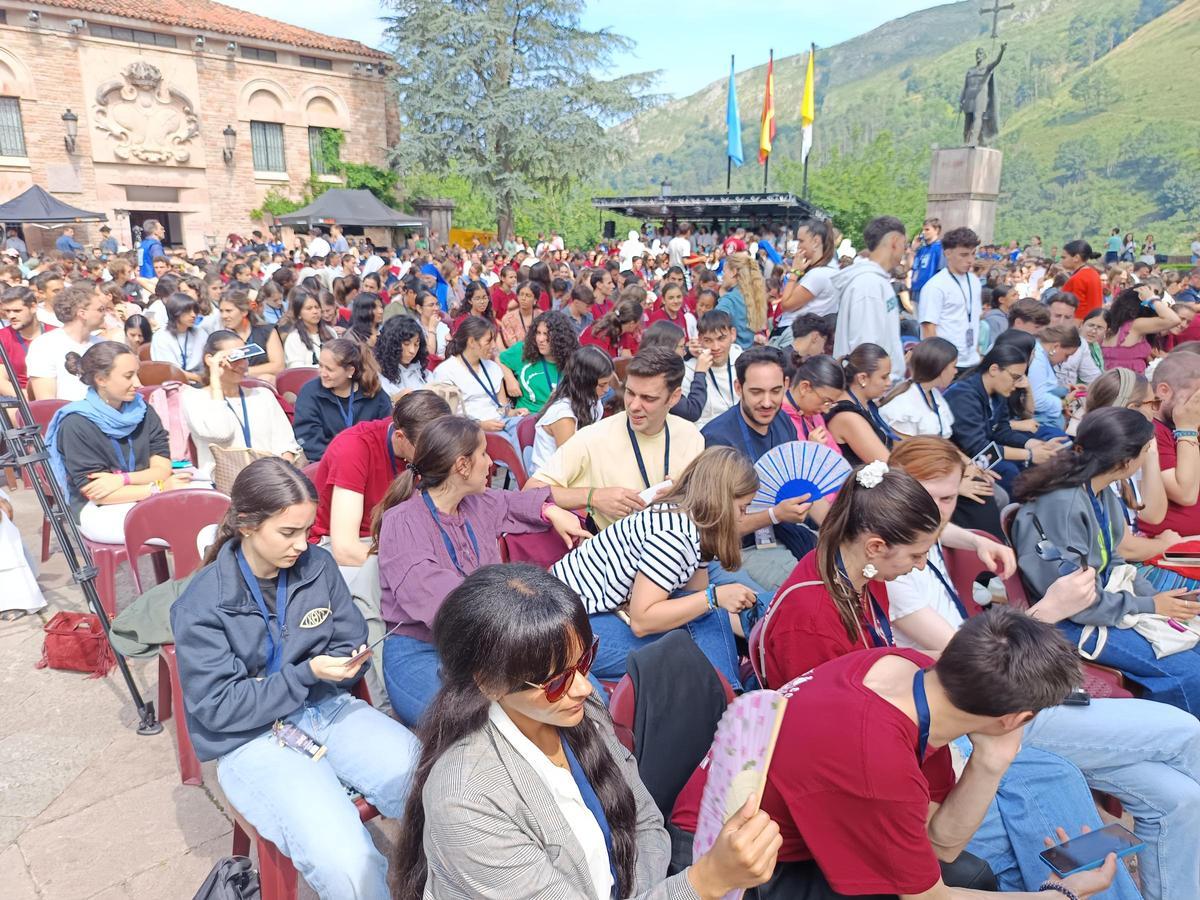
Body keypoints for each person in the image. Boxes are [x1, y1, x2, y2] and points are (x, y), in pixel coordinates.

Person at [890, 436, 1200, 900]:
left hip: (1006, 693)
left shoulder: (916, 536)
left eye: (950, 497)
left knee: (1180, 798)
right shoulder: (898, 565)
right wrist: (1050, 609)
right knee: (1183, 729)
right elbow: (967, 666)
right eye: (931, 498)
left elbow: (937, 532)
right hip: (985, 705)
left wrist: (972, 537)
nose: (937, 513)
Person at [677, 599, 1118, 900]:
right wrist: (1060, 894)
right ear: (1014, 719)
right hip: (729, 867)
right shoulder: (878, 761)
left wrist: (991, 759)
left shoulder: (905, 669)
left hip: (749, 824)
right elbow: (928, 896)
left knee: (971, 869)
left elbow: (939, 844)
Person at [389, 564, 779, 900]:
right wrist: (705, 881)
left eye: (585, 660)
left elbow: (644, 821)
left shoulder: (577, 713)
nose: (584, 687)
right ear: (489, 684)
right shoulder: (466, 799)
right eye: (555, 681)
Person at [170, 458, 418, 900]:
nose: (303, 545)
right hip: (250, 739)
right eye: (288, 533)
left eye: (308, 530)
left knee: (436, 785)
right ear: (245, 525)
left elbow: (349, 637)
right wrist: (307, 673)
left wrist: (349, 661)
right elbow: (218, 707)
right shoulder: (202, 603)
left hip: (326, 707)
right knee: (346, 862)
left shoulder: (317, 566)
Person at [375, 416, 589, 725]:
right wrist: (515, 627)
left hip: (488, 641)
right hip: (421, 652)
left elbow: (516, 503)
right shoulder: (402, 522)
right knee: (486, 723)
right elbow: (441, 602)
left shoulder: (477, 502)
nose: (490, 463)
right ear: (462, 466)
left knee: (560, 700)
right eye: (484, 454)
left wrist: (550, 510)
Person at [1014, 406, 1200, 713]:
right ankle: (1172, 748)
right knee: (1189, 673)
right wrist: (1151, 605)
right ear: (1127, 462)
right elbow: (1076, 601)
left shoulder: (1094, 488)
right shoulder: (1064, 504)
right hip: (1068, 621)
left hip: (1099, 601)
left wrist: (1154, 598)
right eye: (1147, 450)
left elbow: (1112, 560)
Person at [552, 447, 764, 690]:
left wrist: (725, 610)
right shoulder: (675, 537)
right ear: (722, 502)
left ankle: (728, 690)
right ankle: (729, 694)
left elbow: (695, 598)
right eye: (742, 508)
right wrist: (714, 598)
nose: (743, 517)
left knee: (708, 617)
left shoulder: (685, 517)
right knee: (683, 652)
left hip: (585, 611)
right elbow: (643, 621)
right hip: (564, 626)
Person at [526, 348, 706, 529]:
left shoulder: (691, 436)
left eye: (648, 398)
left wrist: (685, 496)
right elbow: (530, 490)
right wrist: (594, 497)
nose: (634, 406)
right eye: (630, 393)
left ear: (674, 397)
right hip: (617, 550)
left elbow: (711, 503)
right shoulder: (593, 437)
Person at [45, 342, 191, 543]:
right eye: (128, 376)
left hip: (145, 495)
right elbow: (98, 494)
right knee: (184, 530)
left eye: (136, 374)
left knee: (201, 518)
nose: (138, 383)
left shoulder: (143, 411)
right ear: (101, 379)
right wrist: (158, 488)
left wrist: (122, 480)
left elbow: (163, 469)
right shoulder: (76, 423)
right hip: (98, 510)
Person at [310, 391, 450, 569]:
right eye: (427, 451)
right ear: (400, 437)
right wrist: (412, 568)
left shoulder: (416, 438)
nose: (435, 459)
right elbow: (345, 549)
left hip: (396, 539)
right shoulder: (353, 447)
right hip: (348, 547)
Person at [944, 339, 1070, 495]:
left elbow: (1002, 431)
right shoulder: (963, 396)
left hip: (981, 450)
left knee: (1038, 461)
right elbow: (978, 448)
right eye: (1015, 377)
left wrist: (1036, 445)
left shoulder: (997, 392)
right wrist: (1029, 455)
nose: (1017, 384)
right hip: (960, 456)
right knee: (1011, 471)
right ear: (994, 369)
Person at [181, 331, 300, 482]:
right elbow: (221, 432)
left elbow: (286, 444)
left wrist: (283, 467)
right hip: (226, 485)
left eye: (245, 357)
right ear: (210, 360)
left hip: (271, 481)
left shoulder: (263, 395)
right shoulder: (193, 398)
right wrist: (215, 381)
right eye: (234, 358)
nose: (243, 364)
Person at [433, 315, 527, 452]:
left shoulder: (493, 368)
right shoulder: (446, 372)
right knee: (513, 445)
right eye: (489, 341)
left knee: (528, 430)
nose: (494, 346)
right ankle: (523, 473)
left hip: (500, 423)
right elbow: (447, 419)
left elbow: (502, 408)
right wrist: (480, 425)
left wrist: (514, 412)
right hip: (469, 432)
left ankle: (526, 472)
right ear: (471, 342)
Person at [293, 338, 392, 463]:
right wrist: (343, 461)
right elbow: (309, 439)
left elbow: (387, 435)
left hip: (369, 463)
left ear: (350, 371)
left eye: (329, 369)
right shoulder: (310, 392)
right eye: (320, 365)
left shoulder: (374, 394)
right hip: (327, 463)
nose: (322, 373)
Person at [832, 216, 906, 377]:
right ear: (894, 241)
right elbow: (866, 348)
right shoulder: (868, 285)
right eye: (903, 245)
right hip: (873, 390)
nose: (904, 251)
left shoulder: (877, 281)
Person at [528, 347, 614, 475]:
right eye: (602, 385)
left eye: (608, 383)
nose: (607, 389)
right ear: (585, 383)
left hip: (577, 469)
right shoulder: (564, 416)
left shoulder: (593, 402)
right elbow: (570, 465)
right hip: (551, 481)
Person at [918, 227, 983, 371]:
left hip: (972, 361)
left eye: (973, 254)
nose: (970, 260)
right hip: (948, 364)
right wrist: (938, 365)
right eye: (964, 255)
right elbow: (929, 328)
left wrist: (977, 353)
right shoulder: (935, 286)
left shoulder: (974, 281)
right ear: (948, 253)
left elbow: (974, 320)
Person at [27, 284, 104, 400]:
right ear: (82, 313)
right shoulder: (45, 346)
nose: (104, 314)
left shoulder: (103, 344)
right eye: (100, 310)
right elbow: (46, 401)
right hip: (68, 415)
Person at [772, 218, 840, 347]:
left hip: (795, 335)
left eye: (801, 241)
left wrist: (794, 274)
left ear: (816, 242)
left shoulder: (819, 274)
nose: (798, 246)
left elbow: (786, 305)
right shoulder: (827, 270)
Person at [825, 343, 895, 466]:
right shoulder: (848, 417)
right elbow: (886, 464)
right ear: (862, 378)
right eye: (884, 377)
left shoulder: (864, 405)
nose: (889, 383)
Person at [498, 310, 578, 413]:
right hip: (526, 417)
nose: (540, 339)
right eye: (538, 333)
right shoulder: (524, 350)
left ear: (560, 338)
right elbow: (498, 359)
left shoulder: (574, 361)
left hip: (559, 418)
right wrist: (509, 379)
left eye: (546, 334)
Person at [880, 337, 959, 439]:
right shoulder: (902, 405)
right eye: (954, 366)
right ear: (941, 368)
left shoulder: (933, 393)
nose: (956, 371)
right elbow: (907, 451)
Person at [681, 310, 742, 428]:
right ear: (699, 339)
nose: (716, 347)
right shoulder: (688, 369)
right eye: (708, 340)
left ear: (733, 334)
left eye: (721, 338)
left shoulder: (743, 361)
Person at [1101, 287, 1180, 375]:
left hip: (1111, 379)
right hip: (1128, 381)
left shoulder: (1114, 324)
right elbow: (1174, 320)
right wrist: (1152, 299)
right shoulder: (1135, 325)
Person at [780, 355, 843, 451]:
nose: (826, 411)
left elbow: (836, 455)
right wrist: (811, 450)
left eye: (831, 404)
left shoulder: (814, 415)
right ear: (805, 387)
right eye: (826, 401)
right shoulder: (779, 418)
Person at [218, 289, 285, 379]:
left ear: (244, 312)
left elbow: (278, 366)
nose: (224, 316)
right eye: (221, 311)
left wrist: (245, 371)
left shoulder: (267, 331)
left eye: (228, 311)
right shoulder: (220, 337)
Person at [0, 285, 52, 390]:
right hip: (19, 398)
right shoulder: (3, 337)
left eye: (17, 311)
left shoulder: (55, 334)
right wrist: (28, 399)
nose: (11, 316)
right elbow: (1, 381)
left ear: (33, 307)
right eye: (7, 311)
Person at [716, 252, 767, 348]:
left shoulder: (729, 300)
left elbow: (713, 326)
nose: (722, 276)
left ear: (734, 272)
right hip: (751, 354)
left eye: (724, 271)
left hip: (734, 355)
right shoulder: (755, 296)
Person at [149, 293, 205, 378]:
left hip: (199, 379)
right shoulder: (161, 337)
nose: (193, 315)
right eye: (188, 311)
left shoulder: (200, 333)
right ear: (175, 313)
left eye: (194, 311)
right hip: (173, 382)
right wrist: (199, 378)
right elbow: (170, 370)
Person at [375, 315, 432, 398]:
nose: (412, 351)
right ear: (392, 344)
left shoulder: (423, 372)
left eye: (416, 344)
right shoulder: (378, 377)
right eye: (406, 344)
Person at [282, 290, 338, 369]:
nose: (315, 311)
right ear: (299, 314)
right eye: (309, 308)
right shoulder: (294, 338)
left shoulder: (330, 332)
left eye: (317, 307)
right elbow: (296, 369)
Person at [1061, 240, 1104, 320]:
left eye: (1064, 257)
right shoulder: (1094, 273)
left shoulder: (1078, 278)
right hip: (1094, 321)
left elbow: (1079, 309)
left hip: (1080, 325)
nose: (1062, 261)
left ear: (1076, 258)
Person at [910, 217, 945, 306]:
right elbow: (909, 267)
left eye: (927, 230)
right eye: (923, 230)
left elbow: (941, 272)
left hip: (929, 292)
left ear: (936, 230)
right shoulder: (921, 249)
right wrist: (913, 250)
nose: (923, 232)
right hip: (916, 289)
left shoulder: (940, 248)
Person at [498, 280, 540, 348]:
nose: (523, 298)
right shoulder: (508, 319)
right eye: (521, 294)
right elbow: (511, 345)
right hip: (515, 355)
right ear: (517, 297)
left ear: (535, 300)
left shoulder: (542, 317)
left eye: (528, 295)